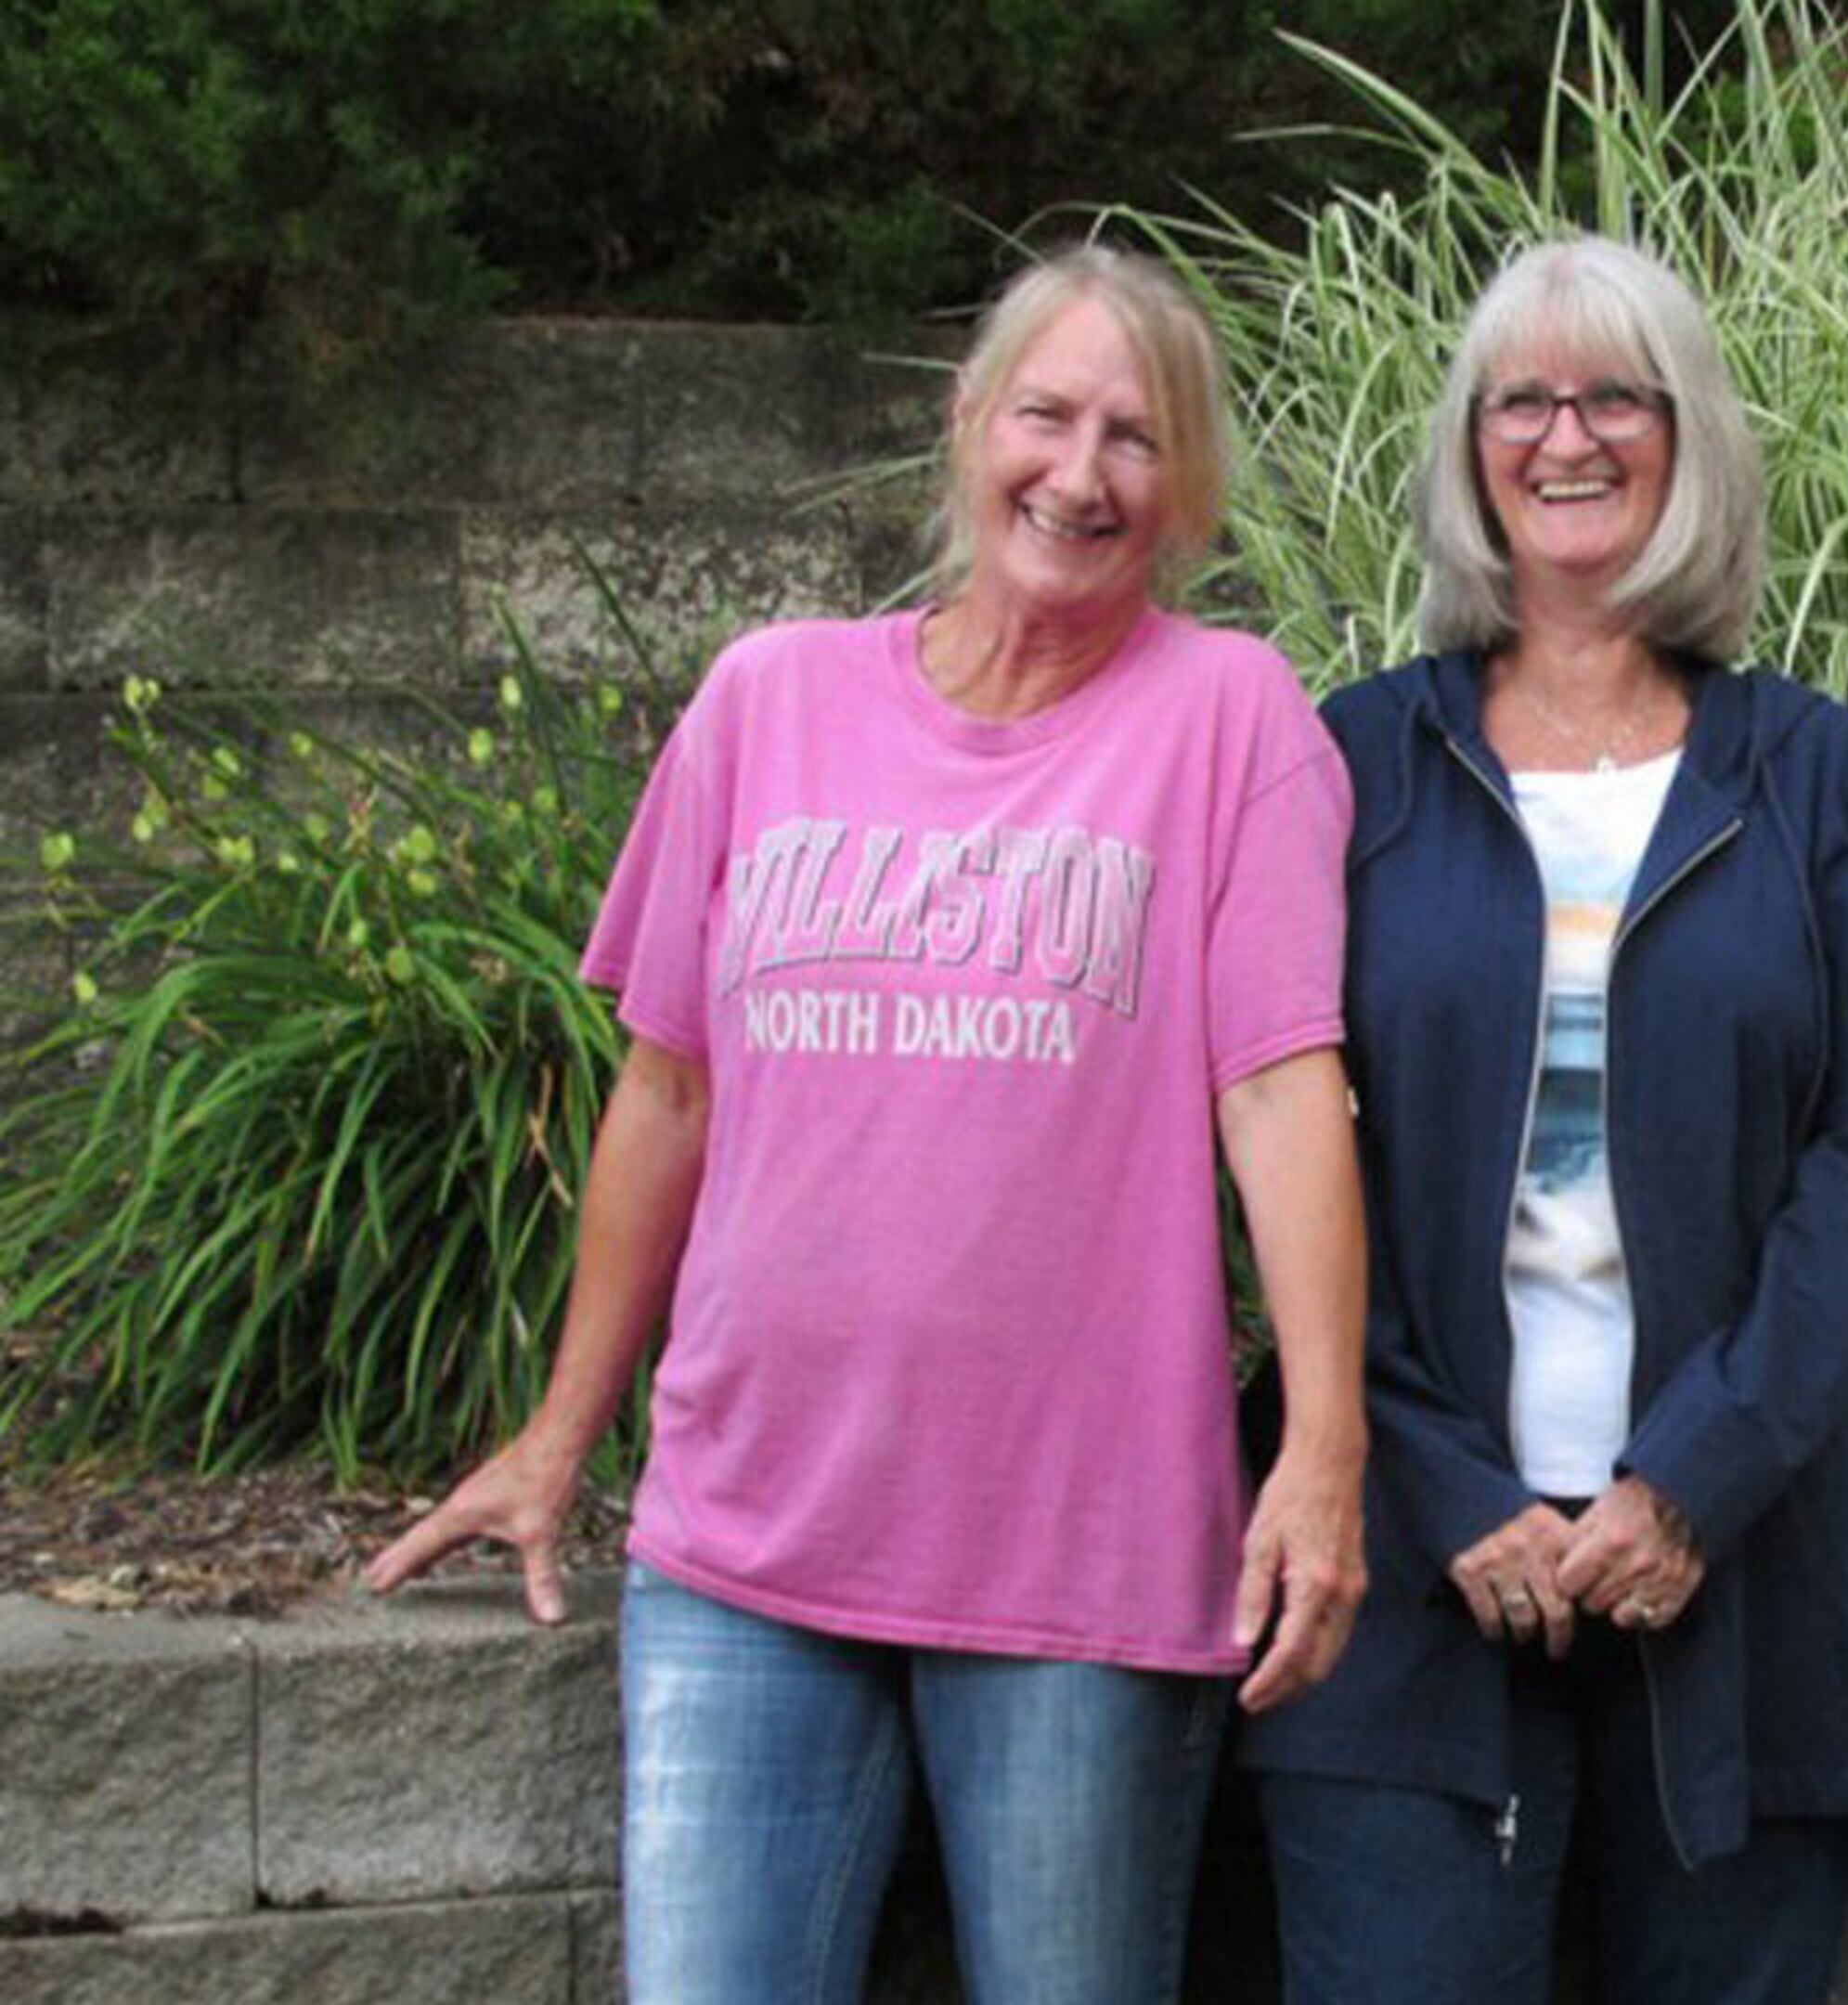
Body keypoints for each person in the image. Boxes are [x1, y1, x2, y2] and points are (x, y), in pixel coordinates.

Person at [364, 242, 1369, 2004]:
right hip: (745, 1548)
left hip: (1084, 1568)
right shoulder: (772, 697)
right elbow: (667, 1085)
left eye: (1136, 439)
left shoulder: (1234, 724)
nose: (1080, 474)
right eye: (1044, 416)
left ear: (1187, 487)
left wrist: (1325, 1451)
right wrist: (557, 1433)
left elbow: (1282, 1090)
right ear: (968, 425)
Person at [1235, 236, 1848, 2003]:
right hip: (1400, 1576)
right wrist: (1447, 1479)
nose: (1571, 434)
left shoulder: (1813, 776)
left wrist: (1688, 1483)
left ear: (1685, 434)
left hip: (1747, 1579)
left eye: (1617, 394)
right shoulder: (1352, 765)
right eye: (1525, 399)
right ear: (1471, 444)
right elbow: (1287, 1130)